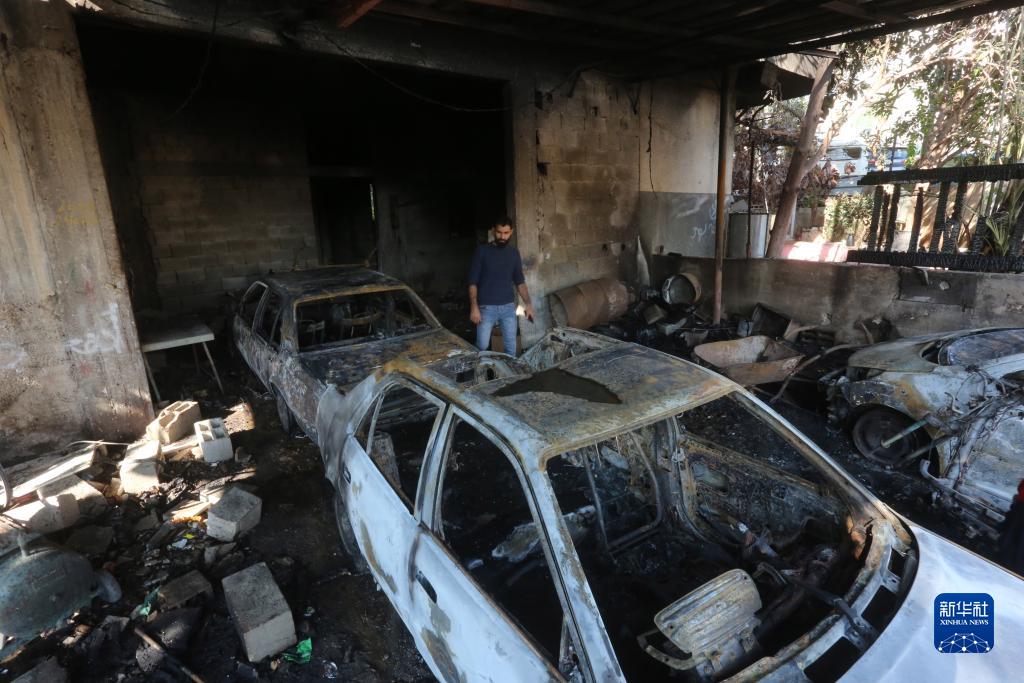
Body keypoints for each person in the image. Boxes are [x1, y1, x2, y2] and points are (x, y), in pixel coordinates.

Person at [468, 217, 534, 355]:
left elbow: (520, 281)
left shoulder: (513, 253)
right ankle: (477, 367)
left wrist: (528, 304)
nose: (502, 236)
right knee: (482, 345)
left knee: (511, 348)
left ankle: (510, 369)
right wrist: (474, 307)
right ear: (493, 231)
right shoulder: (482, 251)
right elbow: (473, 282)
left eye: (506, 233)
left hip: (508, 307)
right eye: (499, 232)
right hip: (486, 308)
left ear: (511, 232)